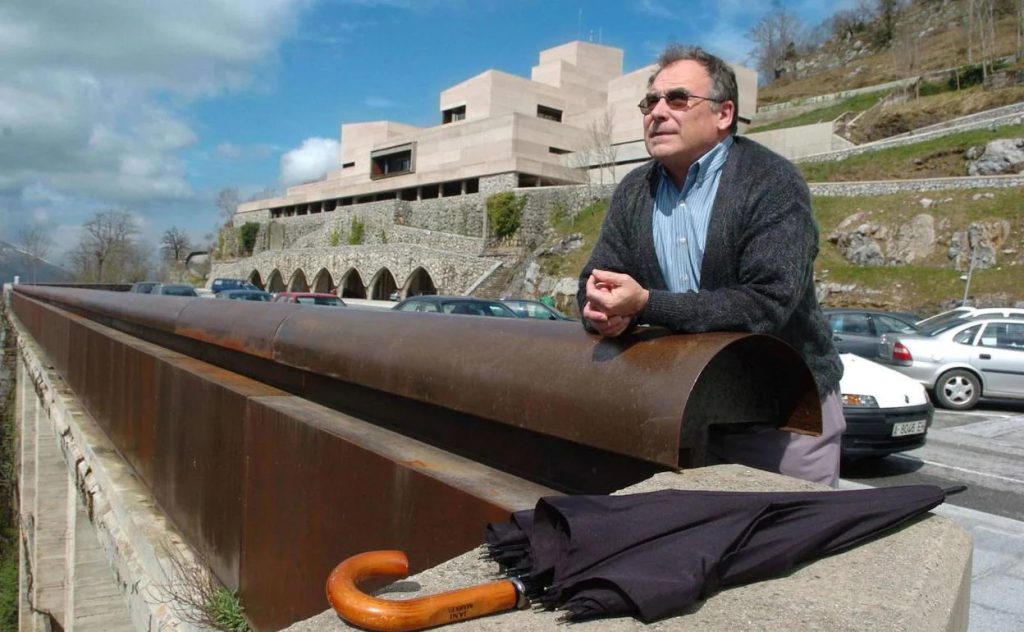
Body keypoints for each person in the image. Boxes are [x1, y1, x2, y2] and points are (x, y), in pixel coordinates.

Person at [576, 44, 844, 486]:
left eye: (678, 99)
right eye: (650, 102)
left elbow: (765, 303)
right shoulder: (632, 191)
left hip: (781, 420)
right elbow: (593, 279)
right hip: (679, 415)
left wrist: (645, 305)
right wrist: (601, 312)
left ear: (724, 114)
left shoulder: (772, 182)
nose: (657, 112)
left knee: (787, 550)